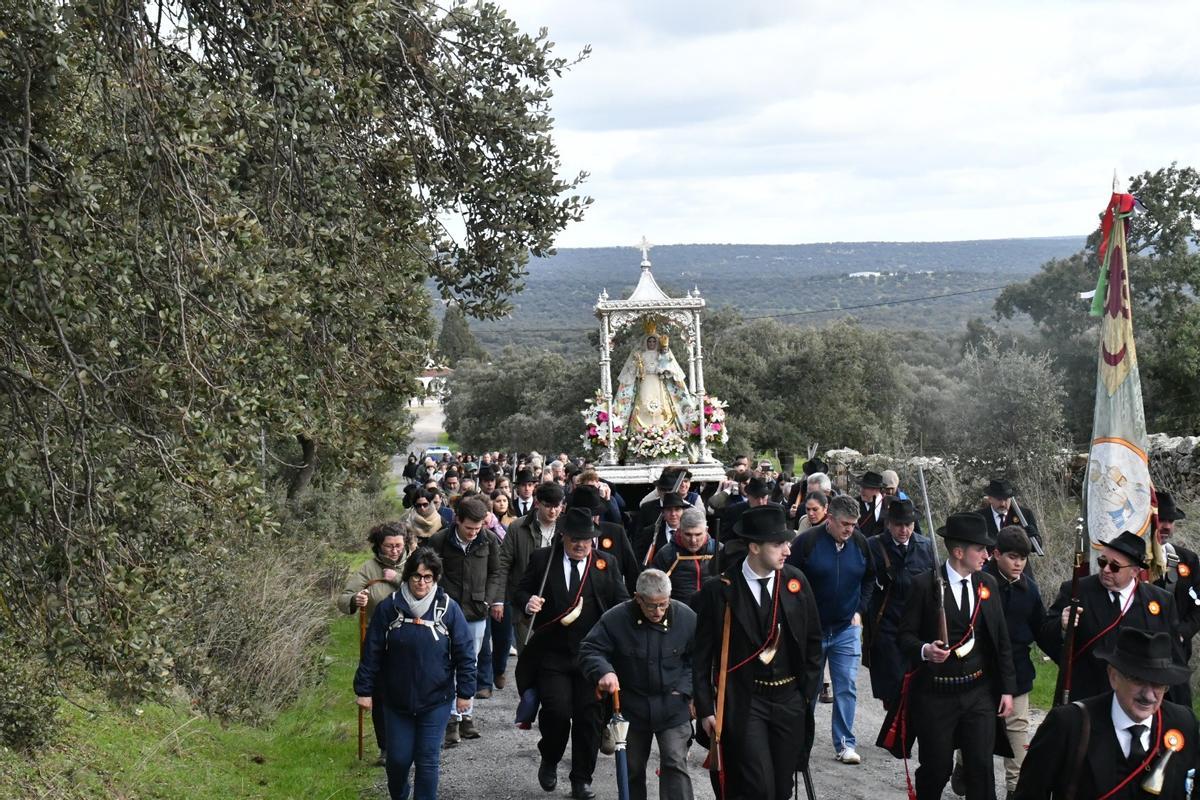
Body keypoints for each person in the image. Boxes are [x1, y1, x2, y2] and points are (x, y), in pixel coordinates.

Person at [692, 505, 822, 800]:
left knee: (782, 789)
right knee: (757, 786)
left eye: (787, 542)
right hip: (746, 702)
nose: (787, 550)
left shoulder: (796, 582)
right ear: (754, 547)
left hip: (790, 701)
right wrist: (706, 709)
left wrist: (805, 695)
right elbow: (701, 658)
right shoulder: (720, 590)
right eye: (778, 544)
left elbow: (814, 643)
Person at [894, 512, 1016, 800]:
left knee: (981, 769)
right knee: (936, 769)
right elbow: (904, 637)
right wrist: (925, 650)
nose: (986, 555)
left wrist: (1007, 689)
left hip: (978, 693)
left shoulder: (987, 584)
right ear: (959, 552)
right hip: (936, 695)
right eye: (980, 549)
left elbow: (1000, 640)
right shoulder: (924, 585)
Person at [515, 508, 629, 800]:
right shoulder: (543, 559)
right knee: (557, 711)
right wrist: (528, 602)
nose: (581, 545)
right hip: (553, 654)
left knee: (589, 718)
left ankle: (582, 779)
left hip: (593, 657)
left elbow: (621, 603)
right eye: (575, 539)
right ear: (563, 536)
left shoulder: (606, 563)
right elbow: (520, 591)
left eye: (586, 539)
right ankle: (550, 757)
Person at [1013, 627, 1198, 800]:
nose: (1149, 695)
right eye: (1138, 680)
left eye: (1158, 683)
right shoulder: (1068, 725)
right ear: (1113, 676)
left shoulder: (1183, 723)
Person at [354, 548, 475, 800]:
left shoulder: (448, 609)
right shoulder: (389, 608)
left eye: (428, 577)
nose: (422, 582)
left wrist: (465, 692)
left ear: (435, 578)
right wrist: (364, 690)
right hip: (396, 700)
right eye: (417, 576)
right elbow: (372, 651)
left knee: (428, 759)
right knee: (398, 760)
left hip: (436, 699)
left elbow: (465, 652)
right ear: (407, 577)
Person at [578, 569, 697, 800]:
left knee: (674, 761)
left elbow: (700, 660)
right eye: (651, 606)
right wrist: (604, 671)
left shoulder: (686, 617)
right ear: (637, 598)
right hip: (632, 705)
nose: (658, 612)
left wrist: (685, 689)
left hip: (673, 703)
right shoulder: (615, 618)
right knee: (631, 768)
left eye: (663, 604)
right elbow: (590, 649)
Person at [787, 493, 874, 764]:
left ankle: (845, 743)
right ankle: (800, 743)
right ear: (830, 519)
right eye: (845, 524)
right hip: (812, 631)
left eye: (854, 524)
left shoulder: (860, 543)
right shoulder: (807, 542)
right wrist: (798, 615)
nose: (850, 529)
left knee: (846, 686)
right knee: (809, 688)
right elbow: (788, 578)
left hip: (846, 629)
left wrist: (859, 610)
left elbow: (870, 578)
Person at [1041, 530, 1177, 702]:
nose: (1106, 570)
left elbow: (1172, 657)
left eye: (1115, 566)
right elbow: (1044, 634)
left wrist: (1177, 707)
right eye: (1102, 562)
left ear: (1134, 571)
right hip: (1084, 696)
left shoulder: (1161, 601)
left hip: (1136, 700)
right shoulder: (1076, 590)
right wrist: (1061, 626)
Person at [977, 526, 1049, 800]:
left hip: (1017, 671)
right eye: (1012, 557)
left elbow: (1042, 629)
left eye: (1023, 558)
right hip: (981, 671)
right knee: (976, 730)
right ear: (996, 554)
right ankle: (964, 765)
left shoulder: (1029, 590)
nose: (1019, 563)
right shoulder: (979, 583)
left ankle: (1015, 790)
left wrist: (1063, 634)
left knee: (1018, 730)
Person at [425, 496, 503, 743]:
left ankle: (466, 715)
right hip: (445, 612)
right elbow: (428, 573)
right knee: (447, 663)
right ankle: (451, 719)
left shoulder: (489, 540)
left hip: (476, 611)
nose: (473, 533)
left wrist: (488, 600)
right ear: (457, 520)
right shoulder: (439, 540)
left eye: (478, 528)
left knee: (469, 663)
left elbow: (496, 572)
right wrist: (437, 600)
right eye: (469, 528)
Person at [338, 522, 408, 764]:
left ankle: (409, 742)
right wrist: (355, 599)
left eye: (398, 545)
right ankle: (386, 748)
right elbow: (343, 598)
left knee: (407, 692)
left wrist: (397, 579)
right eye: (389, 546)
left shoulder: (414, 564)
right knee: (380, 695)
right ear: (379, 546)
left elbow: (429, 591)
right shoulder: (368, 569)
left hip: (411, 641)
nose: (394, 551)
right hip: (378, 643)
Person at [865, 499, 935, 710]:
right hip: (886, 625)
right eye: (898, 525)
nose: (904, 530)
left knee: (919, 683)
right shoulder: (873, 546)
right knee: (893, 686)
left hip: (917, 626)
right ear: (889, 524)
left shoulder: (926, 547)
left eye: (908, 524)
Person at [500, 481, 565, 653]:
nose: (553, 511)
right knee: (528, 656)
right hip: (524, 603)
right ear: (537, 503)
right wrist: (499, 600)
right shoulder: (518, 527)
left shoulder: (566, 529)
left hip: (558, 603)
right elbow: (503, 564)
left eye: (557, 506)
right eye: (548, 506)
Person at [1153, 490, 1199, 706]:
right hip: (1140, 655)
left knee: (1180, 717)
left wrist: (1183, 632)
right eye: (1161, 519)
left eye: (1170, 521)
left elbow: (1198, 601)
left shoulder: (1187, 560)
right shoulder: (1132, 561)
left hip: (1176, 657)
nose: (1167, 526)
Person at [567, 485, 639, 597]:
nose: (591, 519)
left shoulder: (615, 532)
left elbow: (632, 572)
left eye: (595, 514)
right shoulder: (565, 537)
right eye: (585, 516)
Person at [652, 506, 722, 606]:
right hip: (679, 610)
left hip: (712, 609)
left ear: (706, 530)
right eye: (688, 535)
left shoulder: (719, 550)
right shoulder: (666, 554)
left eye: (698, 534)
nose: (693, 540)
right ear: (679, 531)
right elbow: (654, 588)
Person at [979, 478, 1042, 554]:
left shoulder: (1024, 514)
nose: (1003, 504)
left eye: (1006, 499)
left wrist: (1033, 536)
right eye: (999, 499)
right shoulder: (979, 517)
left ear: (1011, 499)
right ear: (990, 499)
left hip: (1017, 560)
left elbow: (1036, 547)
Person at [635, 491, 689, 566]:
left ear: (683, 512)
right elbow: (640, 559)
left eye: (677, 509)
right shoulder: (650, 533)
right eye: (669, 509)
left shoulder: (690, 532)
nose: (673, 514)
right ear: (663, 513)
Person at [856, 471, 886, 538]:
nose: (862, 490)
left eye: (866, 487)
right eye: (862, 487)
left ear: (877, 489)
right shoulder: (854, 503)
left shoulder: (888, 504)